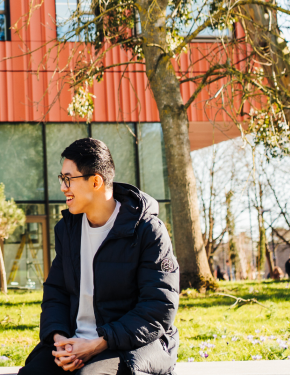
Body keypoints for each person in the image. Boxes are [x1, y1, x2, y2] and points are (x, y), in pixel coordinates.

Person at [18, 138, 179, 375]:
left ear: (96, 181)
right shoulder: (67, 230)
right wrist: (60, 340)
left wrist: (97, 344)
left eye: (68, 179)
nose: (63, 187)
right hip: (74, 341)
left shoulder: (148, 231)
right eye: (61, 179)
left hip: (131, 345)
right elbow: (56, 293)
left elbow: (158, 307)